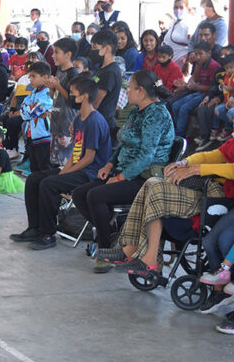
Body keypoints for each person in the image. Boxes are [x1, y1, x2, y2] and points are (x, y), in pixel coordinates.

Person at [99, 112, 234, 277]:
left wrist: (198, 169)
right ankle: (132, 248)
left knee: (157, 191)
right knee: (152, 183)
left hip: (220, 197)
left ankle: (146, 257)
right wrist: (185, 162)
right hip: (207, 189)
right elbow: (210, 155)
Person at [74, 70, 174, 271]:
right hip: (124, 170)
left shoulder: (157, 115)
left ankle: (105, 250)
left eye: (129, 88)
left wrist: (120, 177)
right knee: (79, 194)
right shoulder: (136, 110)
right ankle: (112, 235)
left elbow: (146, 155)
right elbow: (124, 143)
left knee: (95, 196)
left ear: (142, 90)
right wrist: (110, 164)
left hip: (144, 178)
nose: (126, 92)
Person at [10, 77, 112, 250]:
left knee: (49, 184)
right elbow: (76, 152)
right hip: (78, 168)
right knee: (34, 179)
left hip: (91, 172)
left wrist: (66, 172)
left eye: (73, 93)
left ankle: (48, 233)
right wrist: (64, 170)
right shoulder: (80, 118)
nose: (70, 95)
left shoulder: (94, 121)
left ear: (85, 96)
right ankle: (35, 227)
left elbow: (89, 158)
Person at [169, 41, 220, 138]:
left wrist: (196, 87)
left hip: (206, 94)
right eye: (196, 54)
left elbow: (214, 87)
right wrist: (188, 84)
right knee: (175, 105)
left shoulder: (214, 66)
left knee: (184, 108)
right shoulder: (199, 63)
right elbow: (194, 77)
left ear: (209, 53)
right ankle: (175, 130)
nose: (198, 57)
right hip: (198, 91)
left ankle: (181, 134)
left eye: (201, 54)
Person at [46, 37, 79, 167]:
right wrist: (51, 86)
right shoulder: (59, 70)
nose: (53, 56)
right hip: (56, 120)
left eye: (56, 52)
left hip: (67, 124)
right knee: (54, 160)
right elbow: (53, 96)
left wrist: (58, 86)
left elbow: (74, 101)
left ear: (68, 55)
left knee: (64, 162)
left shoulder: (73, 74)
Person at [19, 61, 53, 173]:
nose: (30, 79)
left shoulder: (48, 93)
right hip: (32, 135)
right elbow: (23, 109)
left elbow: (31, 112)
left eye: (33, 76)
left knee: (44, 167)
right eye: (30, 76)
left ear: (45, 77)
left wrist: (28, 109)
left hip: (44, 137)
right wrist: (28, 109)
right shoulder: (33, 92)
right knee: (34, 167)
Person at [205, 54, 234, 146]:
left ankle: (228, 129)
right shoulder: (227, 75)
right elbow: (230, 88)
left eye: (231, 67)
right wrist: (223, 88)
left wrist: (231, 91)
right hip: (228, 100)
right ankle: (216, 128)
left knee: (231, 113)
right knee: (217, 110)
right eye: (227, 68)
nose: (228, 70)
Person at [91, 29, 122, 130]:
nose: (92, 51)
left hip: (102, 123)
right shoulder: (103, 69)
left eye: (95, 47)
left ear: (107, 48)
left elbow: (95, 102)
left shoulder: (110, 71)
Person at [162, 0, 191, 67]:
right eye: (175, 7)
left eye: (181, 7)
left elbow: (192, 43)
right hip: (170, 62)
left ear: (187, 9)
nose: (178, 10)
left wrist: (187, 61)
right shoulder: (174, 23)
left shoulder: (189, 24)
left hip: (182, 62)